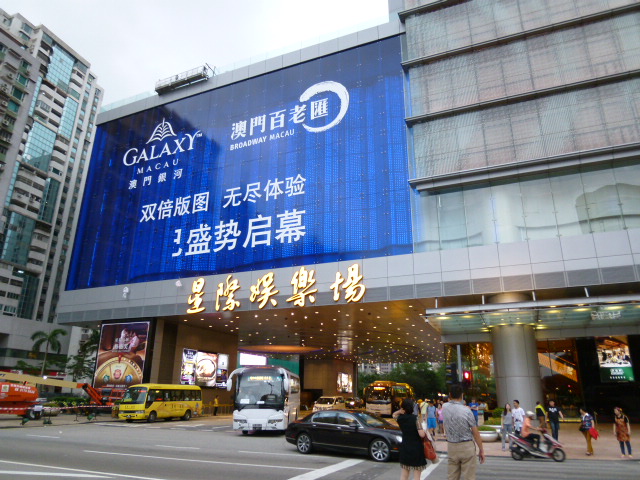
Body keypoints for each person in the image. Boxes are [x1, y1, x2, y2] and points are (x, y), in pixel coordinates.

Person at [442, 384, 485, 480]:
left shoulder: (444, 407)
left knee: (452, 477)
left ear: (450, 395)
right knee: (469, 477)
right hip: (466, 446)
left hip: (452, 445)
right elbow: (475, 432)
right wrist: (481, 449)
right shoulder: (467, 411)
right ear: (462, 395)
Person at [393, 398, 427, 480]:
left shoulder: (400, 418)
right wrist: (425, 429)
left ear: (403, 408)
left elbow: (394, 415)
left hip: (405, 447)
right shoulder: (416, 418)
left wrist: (399, 411)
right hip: (416, 448)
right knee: (417, 476)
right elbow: (422, 434)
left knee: (404, 475)